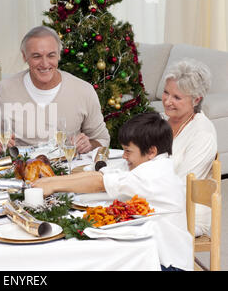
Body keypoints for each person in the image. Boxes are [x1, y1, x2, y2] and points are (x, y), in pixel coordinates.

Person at [33, 112, 193, 271]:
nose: (124, 156)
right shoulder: (145, 163)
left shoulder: (154, 173)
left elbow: (99, 182)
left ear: (151, 152)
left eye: (128, 151)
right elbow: (101, 175)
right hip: (150, 252)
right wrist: (49, 182)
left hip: (168, 263)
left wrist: (52, 184)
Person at [0, 26, 110, 153]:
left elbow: (102, 140)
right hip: (22, 168)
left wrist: (90, 145)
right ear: (24, 57)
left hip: (69, 169)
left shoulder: (84, 90)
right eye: (36, 56)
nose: (45, 64)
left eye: (51, 55)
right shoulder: (6, 89)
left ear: (59, 55)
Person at [161, 58, 217, 237]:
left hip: (187, 214)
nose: (168, 101)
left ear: (196, 100)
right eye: (166, 93)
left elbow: (183, 186)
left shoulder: (203, 133)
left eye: (177, 97)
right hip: (158, 202)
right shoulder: (160, 121)